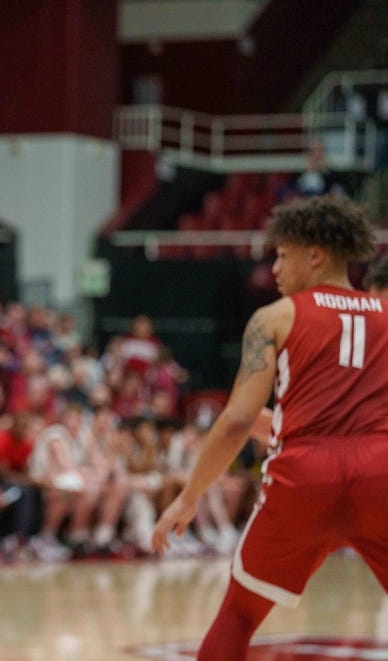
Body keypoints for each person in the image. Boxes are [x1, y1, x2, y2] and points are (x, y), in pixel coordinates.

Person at [152, 195, 388, 660]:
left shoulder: (274, 318)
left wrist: (190, 495)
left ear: (315, 254)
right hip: (381, 472)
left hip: (303, 476)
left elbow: (237, 419)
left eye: (282, 255)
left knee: (239, 616)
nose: (274, 269)